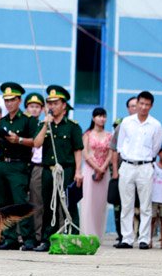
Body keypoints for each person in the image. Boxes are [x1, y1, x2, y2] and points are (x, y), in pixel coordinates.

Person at [33, 85, 84, 252]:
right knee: (49, 205)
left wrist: (78, 171)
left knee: (69, 204)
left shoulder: (72, 126)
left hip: (66, 170)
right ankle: (48, 239)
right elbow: (36, 144)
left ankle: (73, 237)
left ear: (63, 105)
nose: (52, 106)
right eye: (50, 103)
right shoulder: (44, 124)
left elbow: (78, 149)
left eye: (55, 103)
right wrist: (44, 126)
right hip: (48, 170)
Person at [115, 91, 162, 250]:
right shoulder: (127, 122)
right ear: (137, 103)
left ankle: (144, 239)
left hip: (145, 166)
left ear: (151, 106)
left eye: (147, 104)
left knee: (145, 205)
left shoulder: (155, 125)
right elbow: (120, 145)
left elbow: (156, 147)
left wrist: (146, 159)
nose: (143, 107)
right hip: (127, 165)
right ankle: (127, 238)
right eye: (141, 104)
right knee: (126, 204)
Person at [0, 82, 38, 251]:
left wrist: (18, 139)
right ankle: (10, 237)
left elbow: (35, 142)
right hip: (2, 163)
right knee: (4, 204)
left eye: (12, 100)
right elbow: (1, 145)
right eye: (6, 100)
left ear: (19, 101)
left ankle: (28, 238)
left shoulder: (28, 120)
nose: (9, 103)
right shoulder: (3, 120)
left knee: (20, 202)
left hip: (18, 165)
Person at [80, 107, 112, 241]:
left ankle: (99, 235)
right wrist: (96, 168)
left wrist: (103, 168)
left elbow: (111, 154)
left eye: (104, 116)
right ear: (93, 118)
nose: (101, 119)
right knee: (87, 202)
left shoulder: (109, 135)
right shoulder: (87, 134)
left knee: (101, 204)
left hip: (104, 173)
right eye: (99, 116)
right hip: (89, 171)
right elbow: (85, 154)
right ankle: (86, 233)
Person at [110, 96, 138, 246]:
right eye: (132, 106)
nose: (135, 108)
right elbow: (114, 150)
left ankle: (141, 237)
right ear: (128, 108)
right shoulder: (122, 126)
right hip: (124, 169)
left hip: (141, 170)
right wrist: (115, 171)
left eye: (136, 105)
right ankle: (123, 236)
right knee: (122, 205)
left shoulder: (147, 124)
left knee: (141, 207)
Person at [25, 93, 45, 244]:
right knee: (31, 201)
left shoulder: (44, 124)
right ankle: (32, 235)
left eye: (37, 107)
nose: (34, 110)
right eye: (31, 106)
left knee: (42, 202)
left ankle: (41, 234)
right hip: (28, 165)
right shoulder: (25, 124)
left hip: (43, 164)